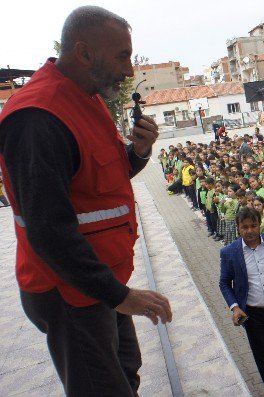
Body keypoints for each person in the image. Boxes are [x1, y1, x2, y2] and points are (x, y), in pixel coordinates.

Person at [0, 6, 173, 396]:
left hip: (98, 283)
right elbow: (49, 232)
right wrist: (121, 297)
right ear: (84, 53)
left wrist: (140, 151)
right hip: (70, 293)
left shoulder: (87, 96)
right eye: (122, 56)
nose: (130, 71)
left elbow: (100, 183)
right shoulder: (37, 118)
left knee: (126, 374)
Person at [219, 207, 264, 397]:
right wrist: (234, 307)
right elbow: (224, 282)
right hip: (252, 314)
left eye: (253, 226)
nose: (250, 230)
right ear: (238, 228)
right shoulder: (229, 252)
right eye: (245, 227)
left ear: (260, 225)